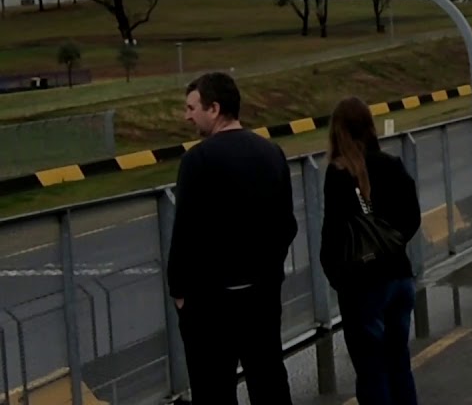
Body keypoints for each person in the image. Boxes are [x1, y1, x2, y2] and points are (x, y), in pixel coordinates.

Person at [167, 71, 297, 404]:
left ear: (214, 108)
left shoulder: (197, 160)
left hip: (210, 304)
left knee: (212, 389)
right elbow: (287, 225)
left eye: (192, 107)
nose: (187, 116)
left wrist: (179, 292)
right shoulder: (272, 153)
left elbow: (185, 233)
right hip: (262, 295)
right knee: (268, 381)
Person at [319, 97, 421, 405]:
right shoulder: (392, 165)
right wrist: (392, 244)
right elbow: (412, 218)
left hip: (364, 287)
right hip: (400, 277)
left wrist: (338, 276)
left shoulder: (338, 174)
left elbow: (333, 235)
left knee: (371, 371)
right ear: (371, 127)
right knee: (399, 363)